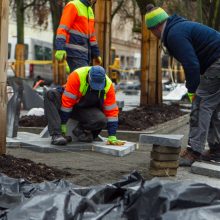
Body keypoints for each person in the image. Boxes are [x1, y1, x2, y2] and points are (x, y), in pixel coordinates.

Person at [145, 4, 220, 166]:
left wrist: (192, 91)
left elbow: (191, 64)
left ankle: (194, 150)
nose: (154, 36)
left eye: (151, 32)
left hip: (217, 62)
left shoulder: (174, 34)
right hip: (216, 61)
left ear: (155, 28)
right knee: (211, 106)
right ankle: (216, 148)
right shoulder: (179, 27)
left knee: (200, 104)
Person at [44, 65, 124, 146]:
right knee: (50, 94)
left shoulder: (108, 86)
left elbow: (112, 113)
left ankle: (80, 130)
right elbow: (67, 105)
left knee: (101, 120)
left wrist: (112, 136)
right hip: (67, 103)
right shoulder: (77, 76)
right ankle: (56, 135)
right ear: (89, 77)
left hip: (84, 108)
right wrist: (63, 126)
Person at [55, 0, 102, 72]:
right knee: (82, 79)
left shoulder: (90, 10)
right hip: (74, 53)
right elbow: (63, 28)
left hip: (84, 55)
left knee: (79, 80)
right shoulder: (73, 5)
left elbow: (91, 36)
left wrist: (96, 53)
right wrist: (60, 48)